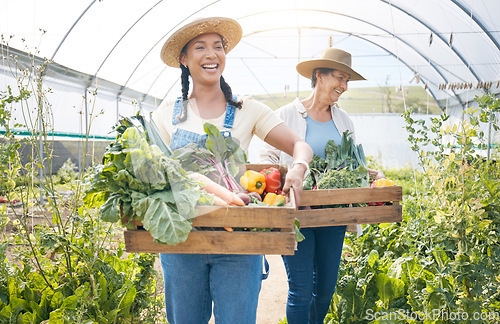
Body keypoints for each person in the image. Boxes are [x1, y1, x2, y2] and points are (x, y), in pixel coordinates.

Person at [151, 17, 313, 323]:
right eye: (201, 47)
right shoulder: (166, 114)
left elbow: (300, 146)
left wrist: (299, 167)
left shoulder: (247, 109)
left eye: (218, 46)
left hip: (239, 240)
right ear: (184, 59)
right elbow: (154, 177)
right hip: (181, 243)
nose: (212, 54)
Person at [259, 47, 386, 324]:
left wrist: (369, 174)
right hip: (296, 218)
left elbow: (351, 164)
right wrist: (289, 176)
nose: (344, 86)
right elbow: (265, 158)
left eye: (347, 80)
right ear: (319, 75)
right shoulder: (286, 114)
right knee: (301, 290)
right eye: (340, 77)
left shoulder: (343, 120)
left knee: (326, 290)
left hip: (333, 215)